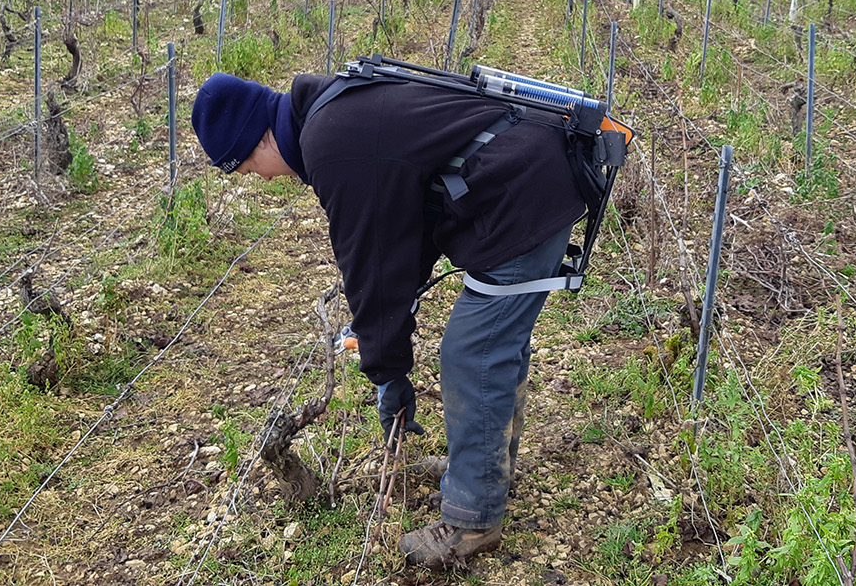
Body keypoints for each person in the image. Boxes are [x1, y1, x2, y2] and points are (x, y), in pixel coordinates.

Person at [191, 69, 589, 569]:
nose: (264, 179)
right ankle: (485, 467)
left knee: (475, 352)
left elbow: (371, 261)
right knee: (492, 342)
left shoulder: (330, 145)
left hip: (524, 191)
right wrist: (383, 344)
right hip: (524, 174)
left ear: (262, 137)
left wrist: (387, 371)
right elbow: (403, 228)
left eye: (250, 167)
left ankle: (474, 517)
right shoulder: (330, 115)